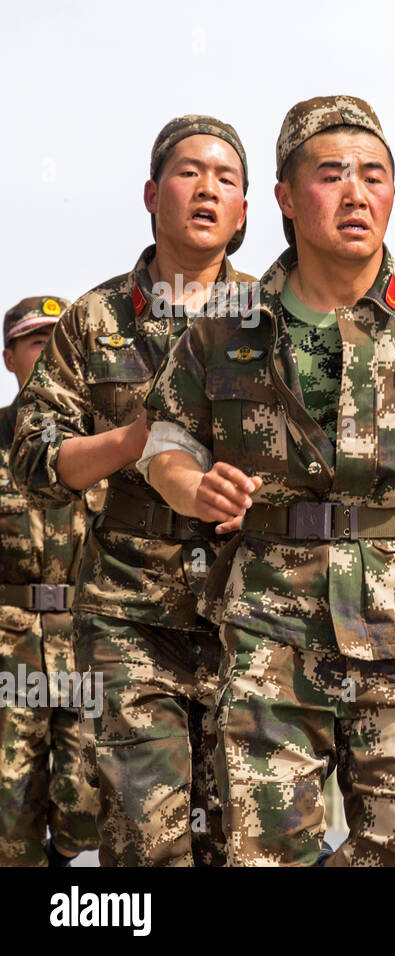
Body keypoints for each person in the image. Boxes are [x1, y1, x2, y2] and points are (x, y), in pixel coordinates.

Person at [142, 95, 395, 866]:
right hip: (268, 627)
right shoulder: (224, 324)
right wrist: (190, 488)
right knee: (264, 853)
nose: (356, 193)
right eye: (331, 175)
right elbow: (166, 440)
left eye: (374, 176)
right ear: (284, 197)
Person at [9, 117, 253, 866]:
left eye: (226, 179)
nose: (207, 188)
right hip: (129, 617)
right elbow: (31, 458)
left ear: (245, 210)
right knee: (148, 843)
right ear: (152, 193)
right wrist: (129, 441)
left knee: (247, 841)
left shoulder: (277, 314)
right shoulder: (96, 320)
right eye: (188, 173)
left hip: (257, 616)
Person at [0, 296, 99, 867]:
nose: (45, 354)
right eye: (36, 341)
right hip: (9, 644)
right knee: (10, 809)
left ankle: (63, 865)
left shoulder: (101, 445)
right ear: (10, 356)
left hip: (87, 638)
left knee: (88, 798)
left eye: (56, 342)